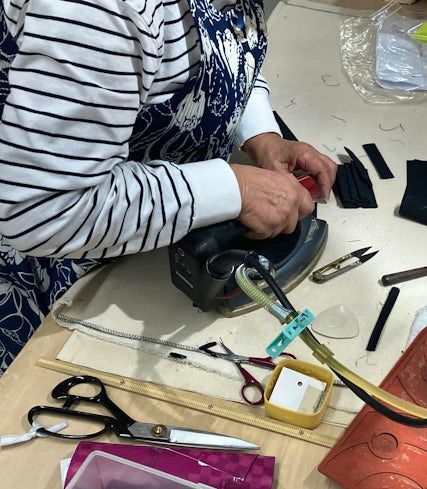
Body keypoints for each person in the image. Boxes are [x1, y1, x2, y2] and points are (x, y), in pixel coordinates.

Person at [0, 0, 338, 373]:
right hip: (68, 266)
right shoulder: (100, 11)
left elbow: (228, 51)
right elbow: (45, 211)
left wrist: (261, 133)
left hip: (161, 231)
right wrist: (233, 188)